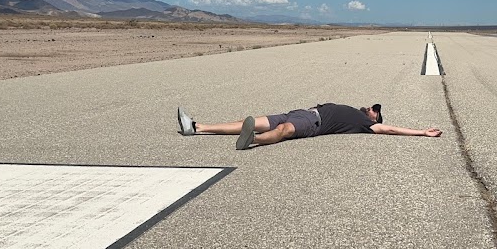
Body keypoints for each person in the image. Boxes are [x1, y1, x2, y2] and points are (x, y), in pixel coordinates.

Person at [177, 103, 443, 150]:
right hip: (301, 112)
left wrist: (422, 132)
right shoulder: (356, 111)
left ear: (374, 119)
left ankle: (253, 140)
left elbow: (389, 130)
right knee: (249, 121)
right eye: (375, 107)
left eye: (377, 112)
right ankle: (197, 127)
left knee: (283, 131)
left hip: (313, 123)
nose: (373, 109)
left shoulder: (365, 124)